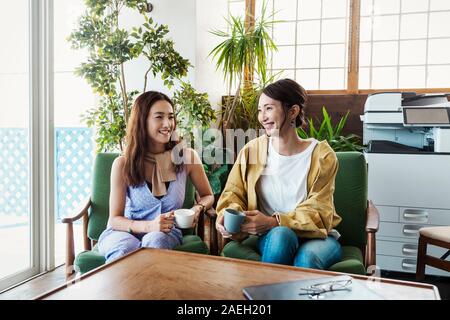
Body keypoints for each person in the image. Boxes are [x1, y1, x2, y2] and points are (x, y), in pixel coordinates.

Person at [215, 78, 342, 270]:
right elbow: (233, 193)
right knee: (282, 234)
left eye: (268, 108)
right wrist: (228, 214)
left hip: (317, 237)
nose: (262, 117)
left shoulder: (322, 156)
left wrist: (273, 221)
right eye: (260, 110)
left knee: (305, 258)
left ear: (293, 111)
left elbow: (320, 209)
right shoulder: (252, 151)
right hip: (272, 237)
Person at [98, 91, 214, 263]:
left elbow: (208, 195)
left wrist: (198, 208)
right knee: (123, 249)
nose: (167, 124)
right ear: (142, 121)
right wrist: (148, 226)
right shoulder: (122, 164)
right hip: (123, 232)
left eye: (171, 117)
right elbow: (114, 220)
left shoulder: (187, 157)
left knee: (156, 241)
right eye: (159, 117)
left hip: (165, 233)